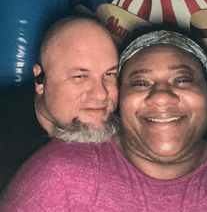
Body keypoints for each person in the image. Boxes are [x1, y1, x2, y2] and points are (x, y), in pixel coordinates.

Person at [2, 27, 207, 212]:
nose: (161, 96)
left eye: (182, 79)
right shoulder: (59, 172)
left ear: (206, 92)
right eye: (140, 83)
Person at [0, 15, 119, 192]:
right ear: (40, 80)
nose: (101, 94)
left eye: (109, 75)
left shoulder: (130, 131)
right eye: (80, 77)